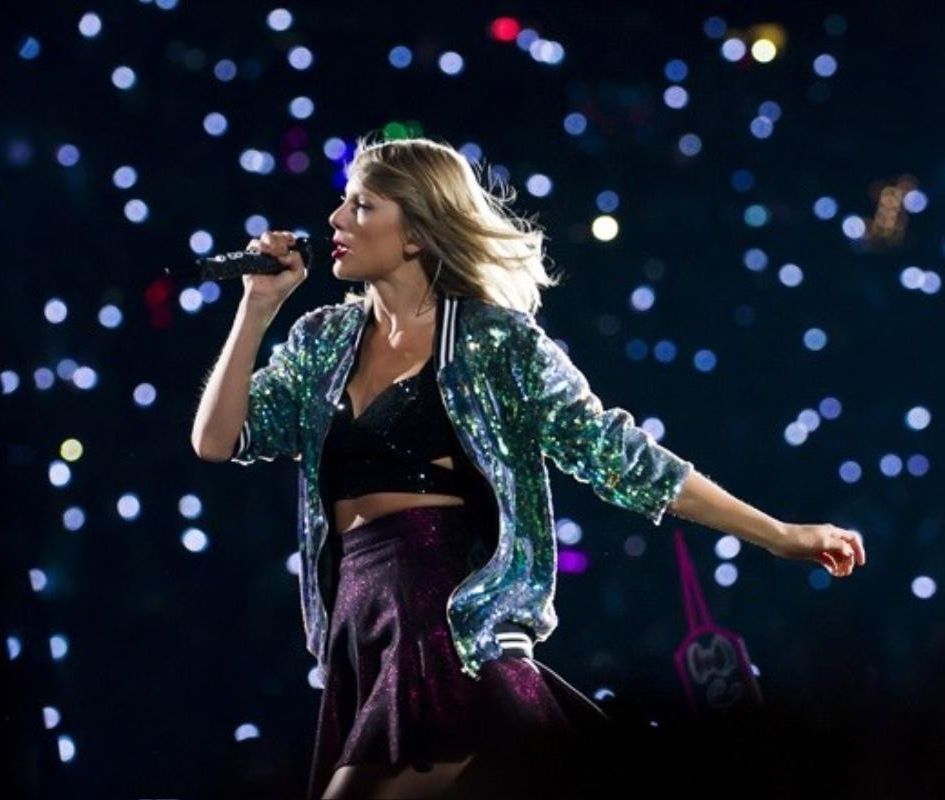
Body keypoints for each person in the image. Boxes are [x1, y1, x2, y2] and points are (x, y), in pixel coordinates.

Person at [191, 134, 866, 799]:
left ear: (418, 232)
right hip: (359, 632)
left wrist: (778, 534)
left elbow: (618, 454)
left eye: (362, 207)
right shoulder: (322, 340)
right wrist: (257, 308)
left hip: (447, 629)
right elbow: (218, 440)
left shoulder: (494, 341)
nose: (336, 220)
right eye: (344, 203)